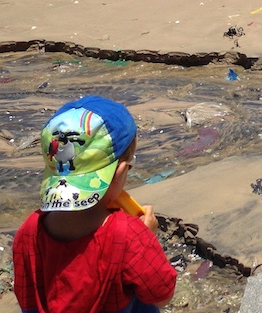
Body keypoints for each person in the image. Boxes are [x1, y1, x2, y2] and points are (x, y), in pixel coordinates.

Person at [13, 96, 178, 313]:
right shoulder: (129, 235)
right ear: (119, 173)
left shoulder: (28, 231)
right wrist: (147, 239)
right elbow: (161, 295)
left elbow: (26, 300)